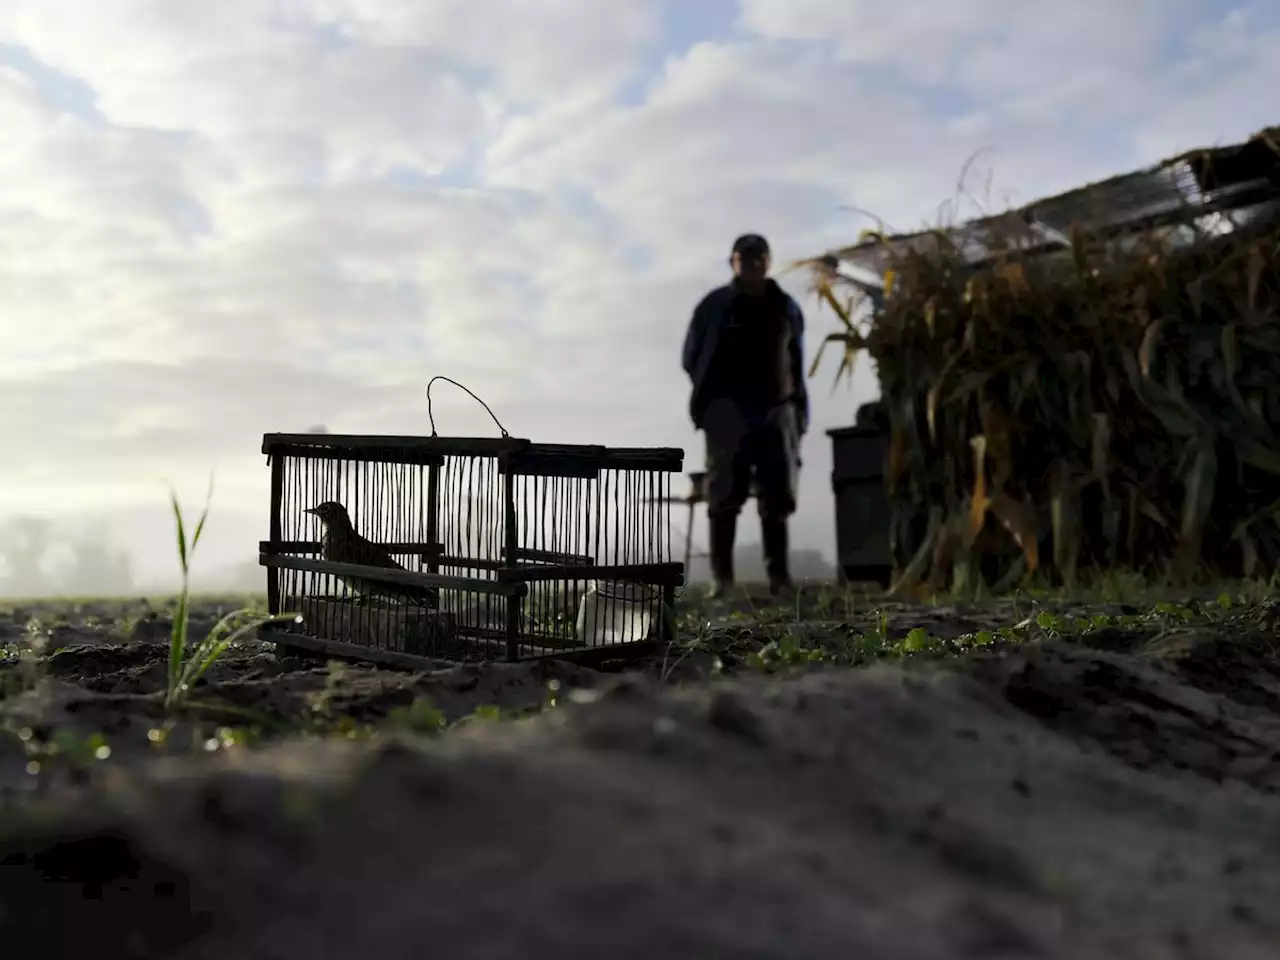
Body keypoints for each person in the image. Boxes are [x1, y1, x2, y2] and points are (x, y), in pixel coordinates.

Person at [681, 233, 808, 598]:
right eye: (743, 258)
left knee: (777, 495)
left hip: (777, 410)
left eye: (758, 258)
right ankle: (723, 581)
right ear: (732, 262)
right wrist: (714, 402)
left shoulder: (785, 306)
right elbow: (691, 356)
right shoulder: (715, 306)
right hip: (727, 413)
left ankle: (780, 580)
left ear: (768, 262)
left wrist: (797, 411)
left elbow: (796, 361)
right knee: (723, 494)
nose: (751, 264)